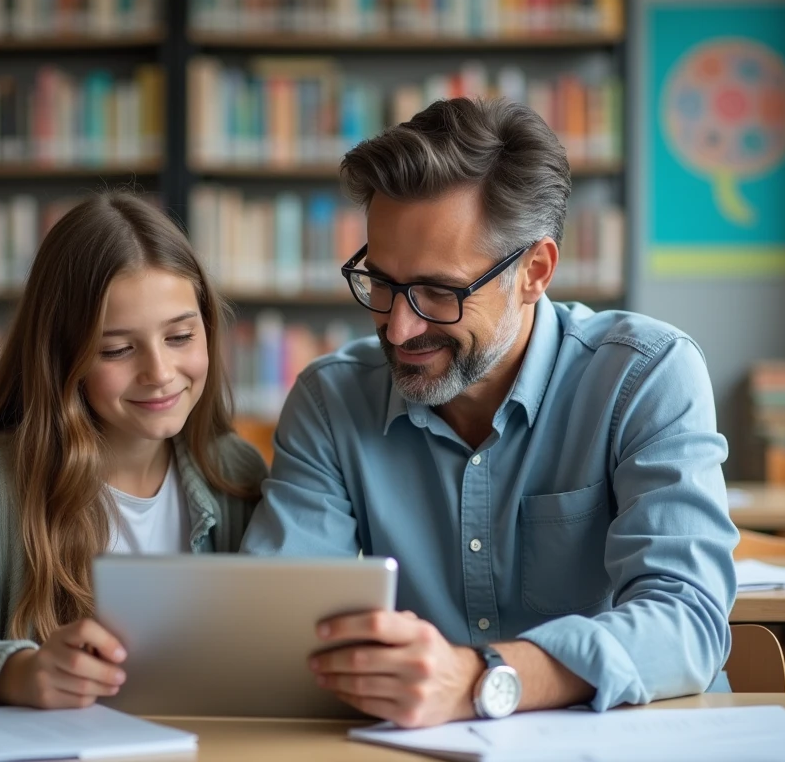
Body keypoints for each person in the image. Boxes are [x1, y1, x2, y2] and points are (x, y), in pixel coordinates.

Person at [240, 98, 739, 728]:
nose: (398, 327)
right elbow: (278, 627)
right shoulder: (331, 401)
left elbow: (687, 622)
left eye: (438, 293)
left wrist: (481, 679)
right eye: (383, 283)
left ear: (534, 271)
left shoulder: (646, 375)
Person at [0, 192, 267, 709]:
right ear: (64, 357)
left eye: (179, 336)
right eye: (116, 349)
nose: (159, 372)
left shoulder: (233, 471)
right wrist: (15, 673)